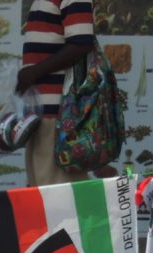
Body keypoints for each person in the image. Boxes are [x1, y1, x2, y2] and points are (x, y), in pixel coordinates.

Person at [16, 0, 96, 186]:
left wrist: (35, 72)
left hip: (60, 117)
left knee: (57, 195)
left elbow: (81, 44)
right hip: (43, 113)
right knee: (41, 190)